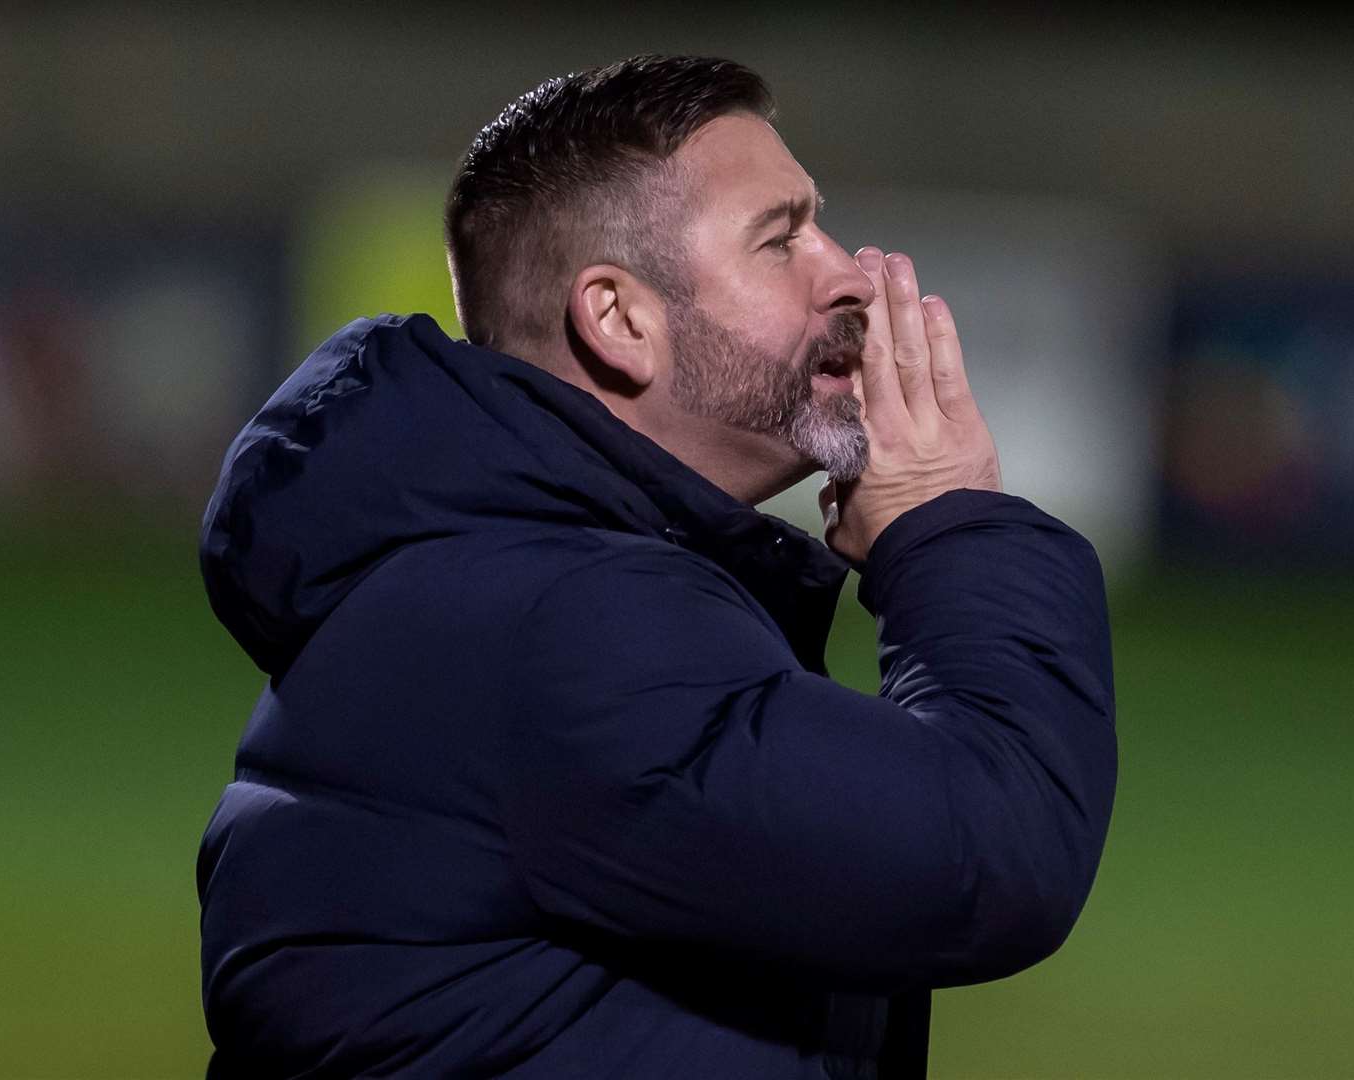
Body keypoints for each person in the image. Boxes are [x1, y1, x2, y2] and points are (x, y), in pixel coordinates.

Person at [197, 54, 1117, 1079]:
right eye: (780, 241)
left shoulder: (501, 575)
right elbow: (991, 853)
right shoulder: (562, 623)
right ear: (620, 319)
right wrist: (949, 529)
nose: (848, 271)